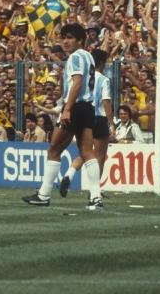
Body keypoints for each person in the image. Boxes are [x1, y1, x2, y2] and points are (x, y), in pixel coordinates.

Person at [22, 23, 103, 210]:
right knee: (87, 152)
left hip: (75, 107)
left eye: (70, 38)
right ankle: (96, 197)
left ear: (80, 40)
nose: (65, 41)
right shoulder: (89, 57)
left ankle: (43, 195)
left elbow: (77, 82)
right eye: (63, 37)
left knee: (54, 150)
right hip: (87, 107)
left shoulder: (75, 57)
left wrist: (67, 109)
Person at [59, 49, 114, 197]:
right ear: (102, 62)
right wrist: (111, 122)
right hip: (100, 118)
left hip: (86, 115)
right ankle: (94, 191)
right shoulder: (103, 79)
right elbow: (106, 102)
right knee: (99, 156)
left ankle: (69, 174)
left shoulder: (86, 77)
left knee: (86, 153)